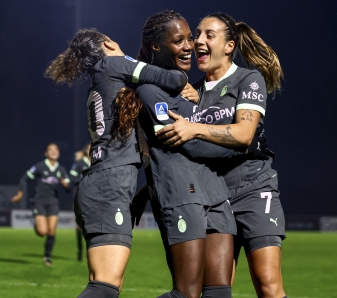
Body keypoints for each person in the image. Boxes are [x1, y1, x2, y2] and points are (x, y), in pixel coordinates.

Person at [134, 10, 269, 298]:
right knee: (186, 294)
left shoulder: (190, 90)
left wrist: (211, 132)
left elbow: (200, 135)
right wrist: (244, 146)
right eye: (179, 40)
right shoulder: (150, 91)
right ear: (157, 47)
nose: (190, 46)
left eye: (190, 38)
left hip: (216, 190)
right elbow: (190, 144)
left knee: (219, 294)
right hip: (183, 193)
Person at [44, 28, 188, 298]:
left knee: (107, 285)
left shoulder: (101, 79)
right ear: (108, 43)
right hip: (108, 186)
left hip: (99, 184)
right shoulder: (113, 64)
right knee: (105, 287)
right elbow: (173, 78)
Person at [11, 143, 70, 266]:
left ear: (58, 153)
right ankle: (36, 224)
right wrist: (20, 194)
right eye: (50, 150)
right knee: (42, 232)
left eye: (56, 149)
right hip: (39, 201)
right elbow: (24, 178)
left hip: (53, 202)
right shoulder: (39, 166)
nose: (54, 151)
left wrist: (66, 184)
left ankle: (47, 257)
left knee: (52, 231)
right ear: (46, 153)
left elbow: (69, 188)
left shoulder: (61, 169)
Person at [68, 143, 91, 261]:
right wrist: (84, 177)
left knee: (92, 227)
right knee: (79, 227)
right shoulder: (79, 164)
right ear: (85, 151)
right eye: (88, 148)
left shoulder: (99, 162)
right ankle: (80, 251)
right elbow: (71, 179)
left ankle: (90, 251)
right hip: (81, 198)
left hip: (95, 199)